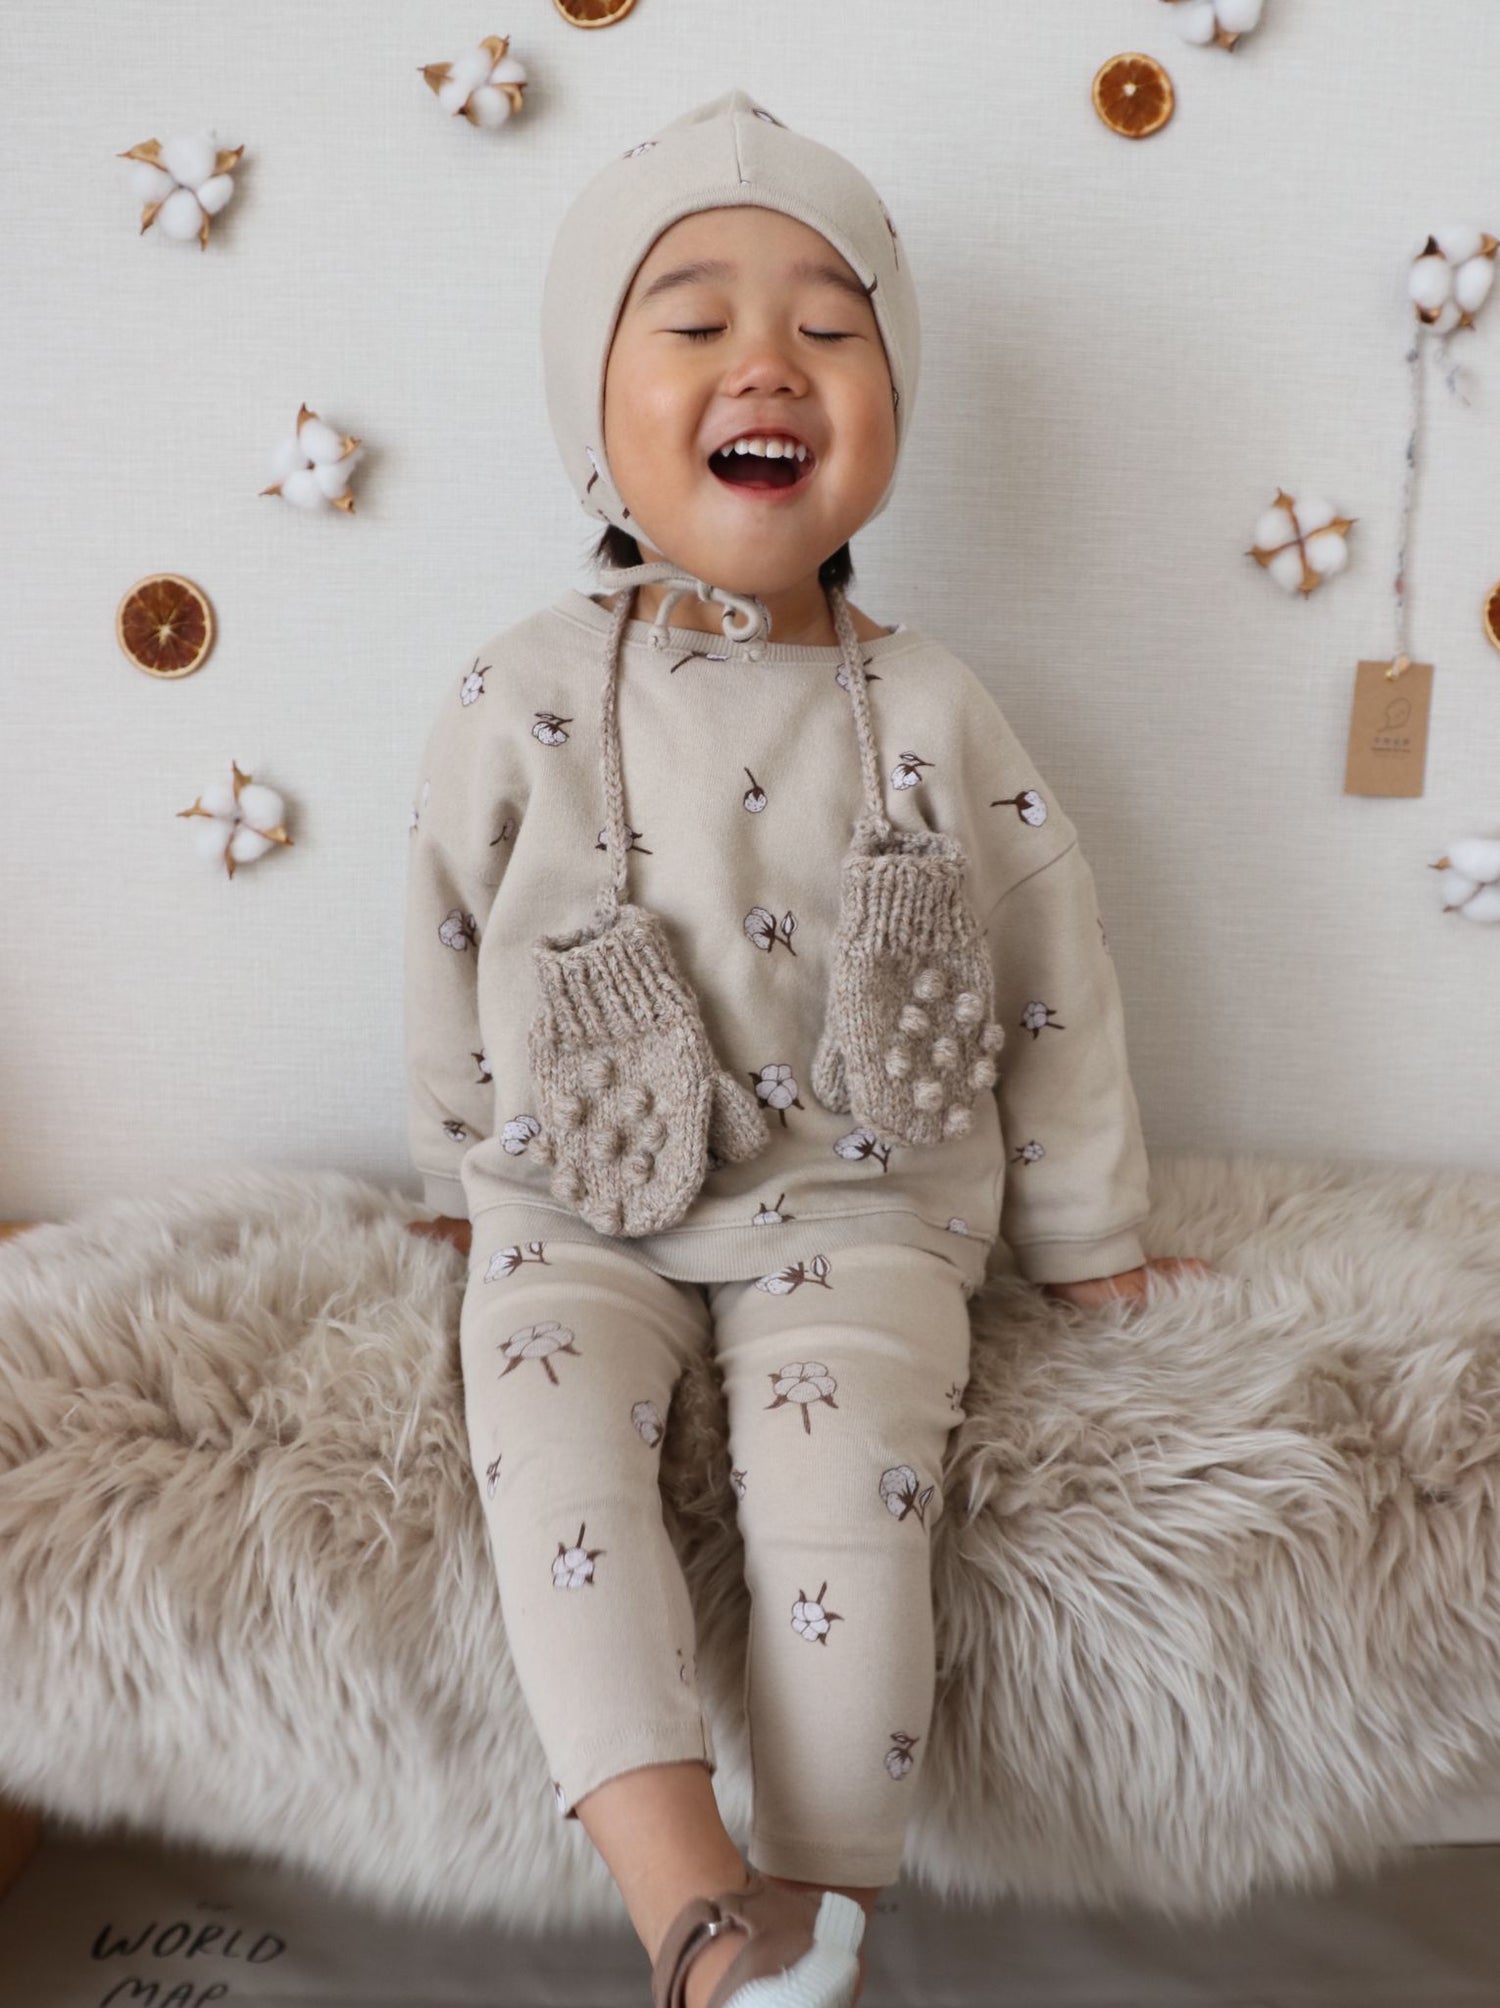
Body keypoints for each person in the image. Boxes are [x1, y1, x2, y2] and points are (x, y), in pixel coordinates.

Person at [403, 87, 1210, 2008]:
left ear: (886, 410)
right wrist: (453, 1170)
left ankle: (820, 1918)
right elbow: (443, 935)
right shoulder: (521, 691)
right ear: (591, 409)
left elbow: (1050, 976)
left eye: (829, 329)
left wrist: (1086, 1236)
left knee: (847, 1485)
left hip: (864, 1205)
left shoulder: (930, 706)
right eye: (694, 320)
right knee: (550, 1462)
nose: (766, 359)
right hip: (574, 1199)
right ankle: (691, 1911)